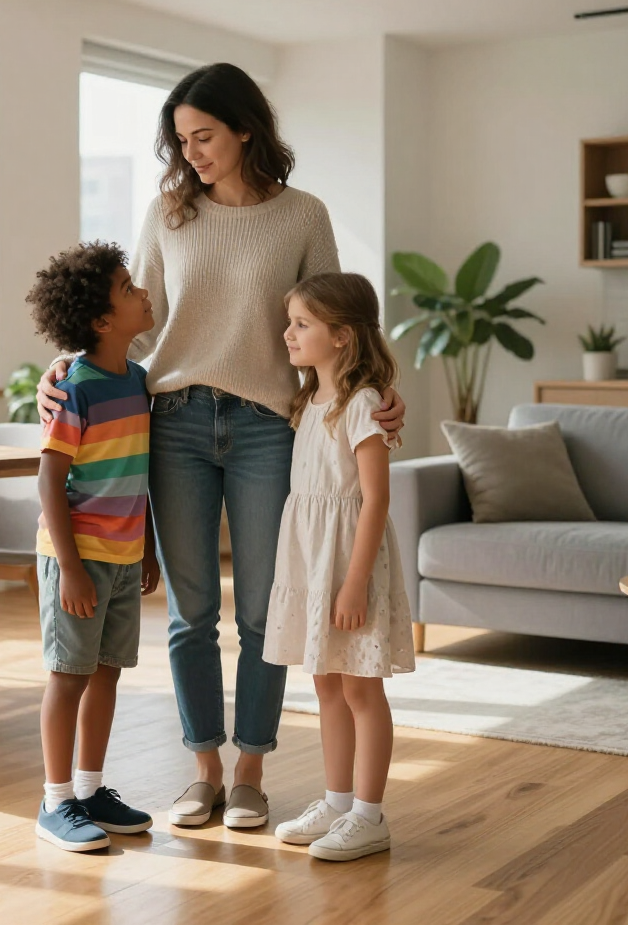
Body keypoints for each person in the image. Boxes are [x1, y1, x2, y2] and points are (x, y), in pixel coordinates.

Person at [37, 63, 407, 829]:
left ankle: (251, 770)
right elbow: (123, 321)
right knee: (190, 611)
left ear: (246, 128)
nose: (192, 151)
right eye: (181, 139)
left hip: (271, 425)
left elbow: (336, 324)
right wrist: (57, 370)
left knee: (267, 610)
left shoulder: (303, 215)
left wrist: (377, 390)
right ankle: (202, 767)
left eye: (204, 135)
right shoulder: (169, 213)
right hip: (171, 419)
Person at [265, 272, 415, 861]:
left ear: (343, 337)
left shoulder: (363, 404)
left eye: (302, 324)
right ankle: (335, 800)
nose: (288, 333)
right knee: (326, 682)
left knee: (360, 688)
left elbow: (375, 499)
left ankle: (369, 815)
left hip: (350, 562)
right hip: (311, 560)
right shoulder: (309, 400)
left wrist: (354, 584)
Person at [26, 241, 162, 853]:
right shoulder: (74, 389)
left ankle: (90, 788)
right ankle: (55, 801)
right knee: (68, 676)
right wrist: (72, 570)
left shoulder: (136, 381)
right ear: (103, 321)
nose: (143, 293)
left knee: (106, 673)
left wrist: (149, 547)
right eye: (130, 289)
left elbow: (139, 473)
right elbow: (49, 478)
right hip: (75, 559)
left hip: (124, 555)